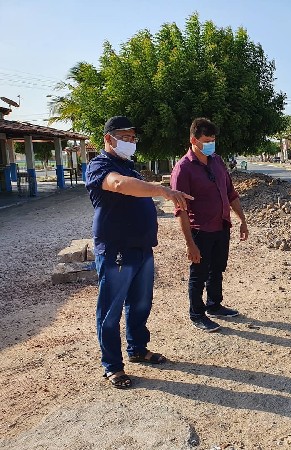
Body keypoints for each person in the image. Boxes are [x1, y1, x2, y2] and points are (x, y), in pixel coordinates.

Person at [86, 116, 193, 389]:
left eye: (133, 138)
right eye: (125, 137)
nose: (131, 142)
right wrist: (162, 190)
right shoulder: (100, 165)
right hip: (117, 250)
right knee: (110, 311)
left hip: (143, 248)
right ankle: (113, 366)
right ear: (108, 138)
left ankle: (137, 348)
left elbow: (132, 186)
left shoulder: (130, 168)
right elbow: (118, 185)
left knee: (141, 304)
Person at [170, 117, 249, 332]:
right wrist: (190, 244)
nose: (211, 144)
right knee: (199, 274)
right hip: (200, 231)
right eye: (206, 140)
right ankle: (197, 314)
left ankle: (214, 305)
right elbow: (181, 210)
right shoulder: (183, 169)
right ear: (193, 140)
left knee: (217, 269)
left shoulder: (217, 161)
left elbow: (231, 193)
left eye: (213, 140)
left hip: (221, 227)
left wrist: (242, 220)